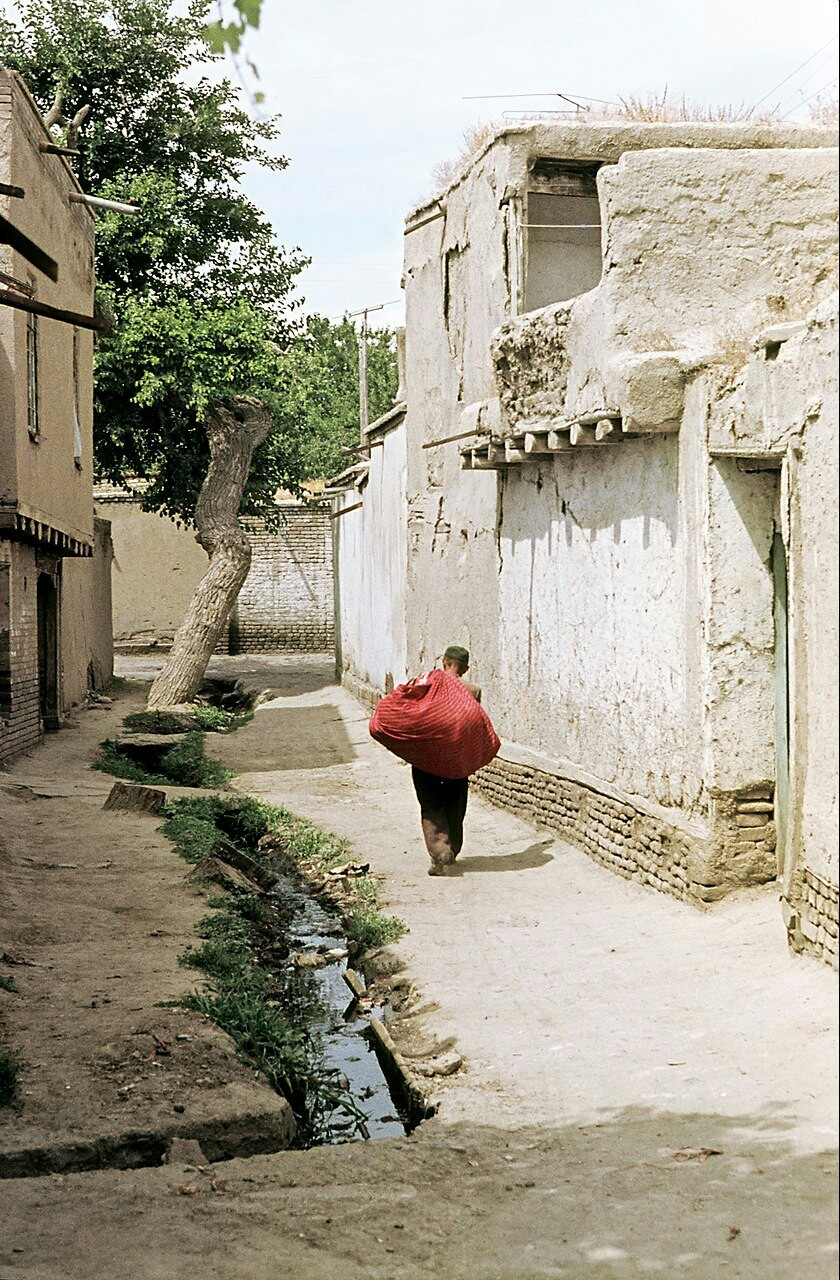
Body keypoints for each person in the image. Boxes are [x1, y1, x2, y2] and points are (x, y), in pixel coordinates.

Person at [412, 645, 481, 877]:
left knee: (431, 804)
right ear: (466, 667)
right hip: (456, 759)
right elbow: (473, 724)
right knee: (455, 803)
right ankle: (452, 848)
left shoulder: (428, 683)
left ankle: (439, 851)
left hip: (427, 757)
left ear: (444, 662)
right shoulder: (473, 690)